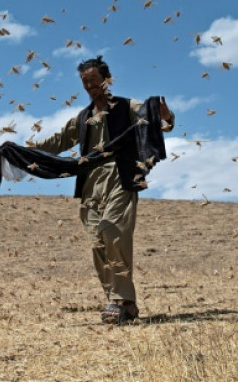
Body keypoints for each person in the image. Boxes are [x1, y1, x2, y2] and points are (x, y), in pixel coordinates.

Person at [30, 56, 174, 324]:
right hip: (89, 184)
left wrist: (166, 117)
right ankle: (119, 303)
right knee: (98, 240)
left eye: (94, 81)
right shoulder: (83, 118)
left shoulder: (126, 106)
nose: (90, 86)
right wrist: (26, 151)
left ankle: (122, 299)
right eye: (85, 83)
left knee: (112, 231)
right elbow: (58, 141)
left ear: (106, 79)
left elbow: (155, 118)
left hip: (120, 176)